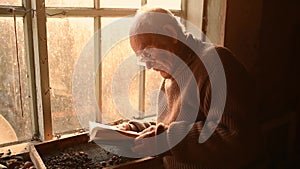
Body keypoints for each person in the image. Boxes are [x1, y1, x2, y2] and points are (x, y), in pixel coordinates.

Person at [117, 7, 264, 169]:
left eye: (147, 53)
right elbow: (172, 124)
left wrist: (166, 140)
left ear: (170, 34)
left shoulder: (216, 63)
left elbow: (236, 138)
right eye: (141, 59)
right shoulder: (172, 72)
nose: (149, 65)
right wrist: (135, 128)